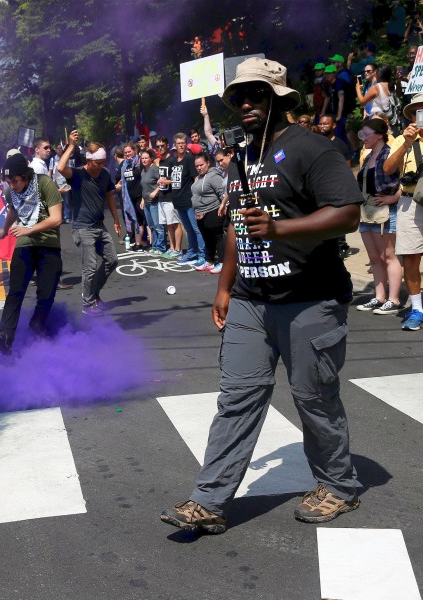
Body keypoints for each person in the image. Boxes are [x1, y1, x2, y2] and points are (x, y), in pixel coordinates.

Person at [160, 57, 362, 534]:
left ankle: (338, 486)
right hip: (252, 300)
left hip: (310, 298)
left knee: (314, 398)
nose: (246, 104)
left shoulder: (312, 149)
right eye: (239, 98)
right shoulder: (245, 157)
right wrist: (224, 287)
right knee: (237, 397)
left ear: (280, 99)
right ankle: (208, 500)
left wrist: (281, 228)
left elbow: (349, 213)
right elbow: (238, 227)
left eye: (257, 96)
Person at [0, 153, 63, 355]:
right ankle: (5, 336)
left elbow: (57, 219)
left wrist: (29, 229)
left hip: (48, 244)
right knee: (15, 292)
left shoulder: (44, 183)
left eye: (15, 181)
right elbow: (13, 209)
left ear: (26, 175)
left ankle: (37, 325)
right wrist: (4, 229)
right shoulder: (12, 192)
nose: (11, 185)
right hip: (25, 244)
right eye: (8, 182)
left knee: (46, 294)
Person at [57, 130, 121, 317]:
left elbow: (109, 194)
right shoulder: (78, 175)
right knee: (90, 266)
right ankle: (87, 304)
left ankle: (94, 294)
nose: (101, 166)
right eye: (98, 163)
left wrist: (116, 220)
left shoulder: (105, 174)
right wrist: (70, 145)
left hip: (99, 225)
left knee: (112, 260)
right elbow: (61, 168)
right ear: (89, 160)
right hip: (82, 227)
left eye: (103, 162)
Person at [382, 93, 423, 331]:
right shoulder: (402, 139)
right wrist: (407, 143)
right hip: (410, 202)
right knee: (410, 258)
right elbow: (388, 168)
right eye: (417, 111)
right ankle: (417, 308)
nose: (421, 115)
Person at [354, 118, 404, 316]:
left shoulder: (391, 153)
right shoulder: (367, 156)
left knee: (389, 256)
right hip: (367, 210)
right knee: (374, 258)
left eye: (366, 134)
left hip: (385, 211)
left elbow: (406, 179)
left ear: (379, 135)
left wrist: (393, 197)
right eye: (361, 134)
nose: (363, 138)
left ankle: (394, 299)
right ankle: (379, 296)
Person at [159, 133, 206, 268]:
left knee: (196, 229)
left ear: (186, 144)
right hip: (178, 200)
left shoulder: (190, 159)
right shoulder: (174, 162)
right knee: (188, 229)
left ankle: (202, 255)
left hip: (189, 200)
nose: (181, 145)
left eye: (183, 143)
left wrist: (197, 198)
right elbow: (175, 180)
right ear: (175, 144)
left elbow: (196, 179)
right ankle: (191, 253)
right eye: (179, 143)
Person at [190, 153, 227, 273]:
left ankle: (222, 262)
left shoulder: (213, 176)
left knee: (218, 238)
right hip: (200, 213)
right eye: (197, 166)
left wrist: (224, 206)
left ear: (208, 163)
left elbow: (222, 193)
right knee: (207, 239)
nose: (199, 168)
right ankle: (209, 261)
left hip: (213, 210)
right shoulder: (199, 177)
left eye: (201, 165)